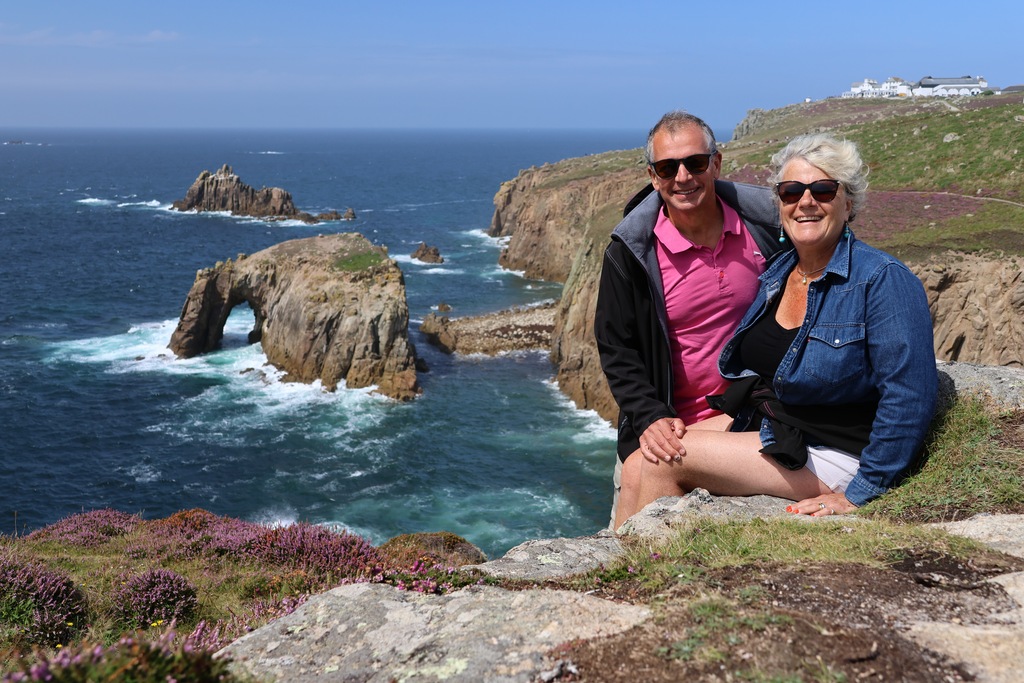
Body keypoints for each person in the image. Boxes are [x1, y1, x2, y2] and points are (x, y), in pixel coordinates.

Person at [612, 132, 937, 529]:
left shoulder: (882, 279)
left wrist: (862, 492)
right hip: (784, 430)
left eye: (822, 189)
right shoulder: (781, 273)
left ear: (848, 201)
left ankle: (644, 581)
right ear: (779, 204)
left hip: (839, 449)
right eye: (790, 192)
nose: (805, 202)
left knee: (668, 459)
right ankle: (611, 575)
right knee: (636, 464)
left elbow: (910, 394)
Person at [593, 111, 784, 528]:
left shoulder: (766, 231)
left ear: (716, 163)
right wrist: (649, 416)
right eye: (667, 167)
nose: (683, 177)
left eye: (695, 163)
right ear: (653, 175)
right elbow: (615, 346)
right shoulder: (631, 253)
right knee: (629, 507)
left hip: (748, 414)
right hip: (668, 422)